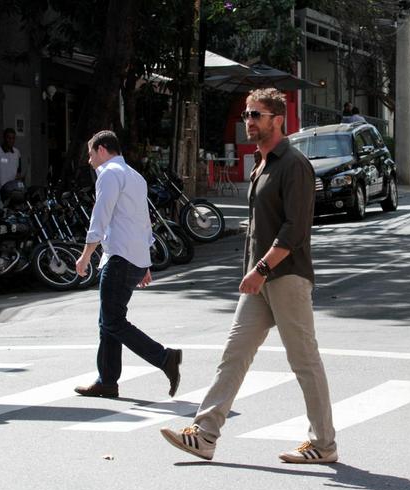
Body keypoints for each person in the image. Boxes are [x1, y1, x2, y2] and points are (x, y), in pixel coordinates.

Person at [160, 88, 337, 464]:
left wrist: (260, 269)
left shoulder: (293, 164)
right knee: (233, 355)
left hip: (285, 276)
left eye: (256, 115)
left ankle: (323, 444)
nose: (249, 122)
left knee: (304, 361)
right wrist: (255, 272)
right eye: (246, 115)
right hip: (259, 280)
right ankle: (205, 434)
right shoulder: (262, 165)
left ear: (278, 119)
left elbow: (295, 231)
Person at [74, 130, 182, 399]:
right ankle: (107, 381)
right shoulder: (134, 175)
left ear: (101, 149)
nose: (89, 161)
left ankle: (164, 357)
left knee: (112, 321)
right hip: (131, 258)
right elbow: (143, 221)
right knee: (107, 321)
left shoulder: (109, 174)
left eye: (90, 154)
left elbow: (100, 216)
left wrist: (86, 255)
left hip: (120, 258)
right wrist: (144, 262)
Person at [0, 128, 22, 205]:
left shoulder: (17, 152)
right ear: (4, 138)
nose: (11, 140)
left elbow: (19, 170)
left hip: (12, 192)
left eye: (13, 138)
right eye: (9, 138)